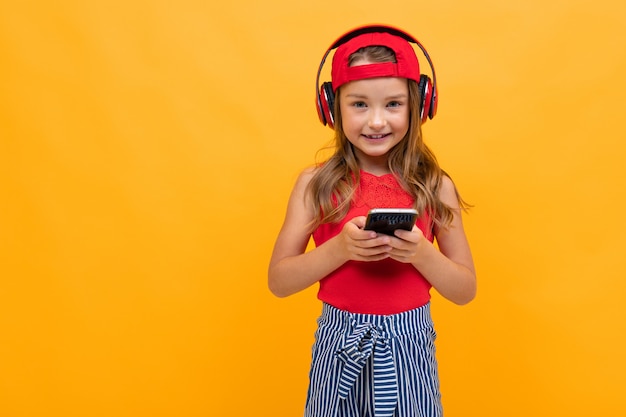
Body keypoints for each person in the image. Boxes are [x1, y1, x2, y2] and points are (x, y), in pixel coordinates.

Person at [268, 24, 476, 417]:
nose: (377, 121)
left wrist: (420, 254)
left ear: (420, 105)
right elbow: (279, 281)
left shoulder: (436, 185)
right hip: (339, 345)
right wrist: (340, 249)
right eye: (359, 104)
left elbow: (465, 290)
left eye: (393, 105)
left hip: (409, 349)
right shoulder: (315, 185)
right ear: (331, 107)